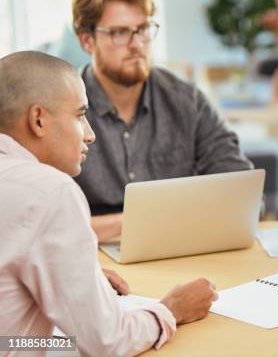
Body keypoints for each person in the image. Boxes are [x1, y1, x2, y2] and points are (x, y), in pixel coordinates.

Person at [0, 51, 217, 356]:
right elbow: (106, 342)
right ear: (38, 119)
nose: (90, 135)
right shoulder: (51, 191)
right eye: (79, 115)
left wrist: (69, 275)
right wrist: (171, 310)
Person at [71, 0, 253, 242]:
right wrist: (132, 224)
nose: (137, 45)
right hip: (92, 261)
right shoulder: (63, 108)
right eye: (120, 33)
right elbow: (43, 221)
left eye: (143, 29)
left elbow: (241, 193)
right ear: (87, 41)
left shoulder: (186, 100)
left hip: (177, 247)